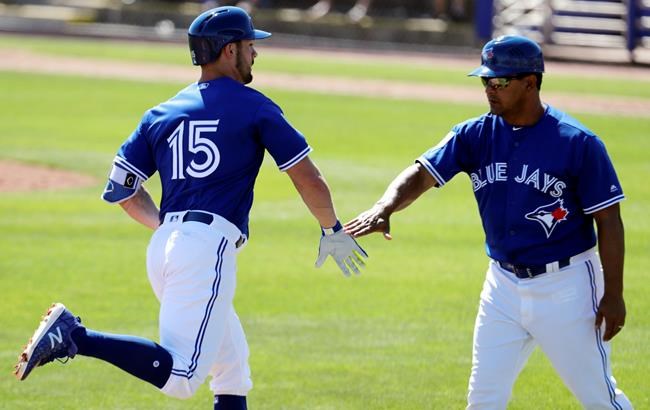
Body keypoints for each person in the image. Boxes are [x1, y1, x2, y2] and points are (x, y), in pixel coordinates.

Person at [14, 6, 367, 409]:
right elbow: (308, 177)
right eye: (251, 45)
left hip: (165, 247)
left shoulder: (161, 113)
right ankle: (76, 337)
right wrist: (331, 229)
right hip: (205, 249)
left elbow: (121, 189)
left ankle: (79, 337)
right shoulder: (255, 106)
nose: (256, 54)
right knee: (182, 377)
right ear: (229, 50)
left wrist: (170, 228)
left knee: (232, 371)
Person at [344, 35, 633, 408]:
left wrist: (614, 294)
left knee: (598, 397)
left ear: (530, 83)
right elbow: (421, 173)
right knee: (483, 398)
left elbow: (609, 221)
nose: (489, 90)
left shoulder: (577, 142)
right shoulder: (474, 134)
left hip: (567, 286)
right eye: (485, 81)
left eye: (499, 82)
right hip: (501, 286)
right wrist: (385, 206)